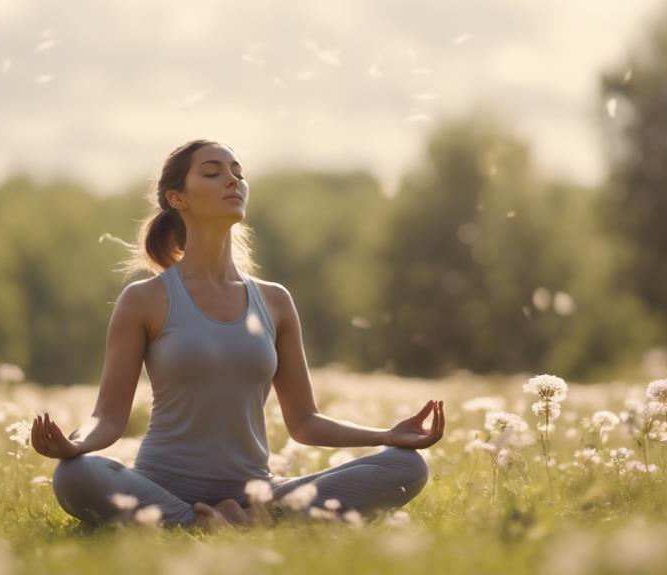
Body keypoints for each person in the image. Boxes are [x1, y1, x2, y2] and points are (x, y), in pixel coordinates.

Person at [30, 139, 445, 532]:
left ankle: (249, 517)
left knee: (407, 466)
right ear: (177, 198)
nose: (232, 180)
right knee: (75, 475)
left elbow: (305, 422)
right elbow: (108, 417)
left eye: (237, 172)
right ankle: (199, 522)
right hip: (161, 488)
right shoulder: (145, 299)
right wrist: (74, 445)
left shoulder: (275, 301)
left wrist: (385, 435)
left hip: (256, 491)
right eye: (212, 173)